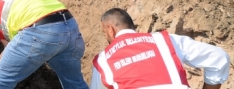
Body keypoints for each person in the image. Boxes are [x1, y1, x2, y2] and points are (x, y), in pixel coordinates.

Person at [90, 8, 230, 89]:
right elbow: (218, 57)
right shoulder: (165, 40)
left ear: (110, 29)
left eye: (104, 32)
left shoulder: (103, 59)